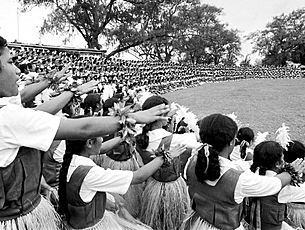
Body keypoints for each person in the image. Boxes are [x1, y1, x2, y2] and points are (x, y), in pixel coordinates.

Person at [0, 33, 170, 230]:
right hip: (17, 219)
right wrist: (132, 119)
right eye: (11, 62)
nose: (17, 70)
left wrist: (70, 91)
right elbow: (82, 128)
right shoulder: (4, 118)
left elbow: (36, 109)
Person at [182, 113, 305, 230]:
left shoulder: (192, 161)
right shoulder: (239, 180)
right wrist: (291, 171)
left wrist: (257, 161)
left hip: (196, 222)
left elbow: (234, 165)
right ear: (231, 143)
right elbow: (273, 184)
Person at [58, 126, 187, 230]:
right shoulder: (91, 173)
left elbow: (102, 148)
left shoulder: (71, 160)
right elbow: (138, 177)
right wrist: (165, 156)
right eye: (101, 136)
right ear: (89, 143)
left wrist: (123, 136)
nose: (103, 139)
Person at [135, 95, 201, 230]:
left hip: (152, 187)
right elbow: (200, 140)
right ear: (162, 115)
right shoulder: (174, 139)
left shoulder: (139, 137)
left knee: (153, 222)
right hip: (172, 189)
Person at [245, 140, 305, 230]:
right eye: (283, 158)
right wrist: (292, 172)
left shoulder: (251, 174)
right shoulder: (282, 186)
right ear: (278, 164)